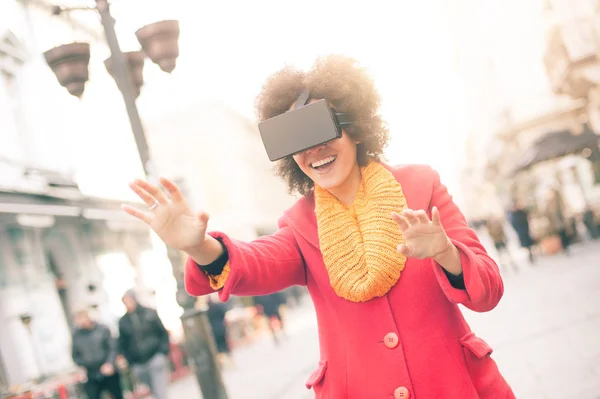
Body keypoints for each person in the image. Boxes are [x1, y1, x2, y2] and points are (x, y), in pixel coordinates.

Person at [123, 55, 515, 398]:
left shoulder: (421, 185)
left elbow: (488, 291)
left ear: (356, 128)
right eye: (297, 140)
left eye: (322, 131)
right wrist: (199, 246)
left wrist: (446, 253)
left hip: (455, 386)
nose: (313, 151)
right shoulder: (298, 224)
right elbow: (258, 261)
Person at [118, 290, 170, 399]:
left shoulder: (149, 312)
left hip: (155, 356)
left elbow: (162, 333)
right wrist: (130, 361)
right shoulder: (123, 322)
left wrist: (163, 351)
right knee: (151, 390)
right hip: (139, 363)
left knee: (160, 391)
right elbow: (122, 343)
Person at [71, 309, 123, 399]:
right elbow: (75, 356)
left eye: (81, 318)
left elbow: (112, 348)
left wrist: (109, 363)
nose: (80, 322)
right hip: (91, 374)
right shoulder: (76, 335)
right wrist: (83, 365)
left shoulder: (102, 329)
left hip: (108, 371)